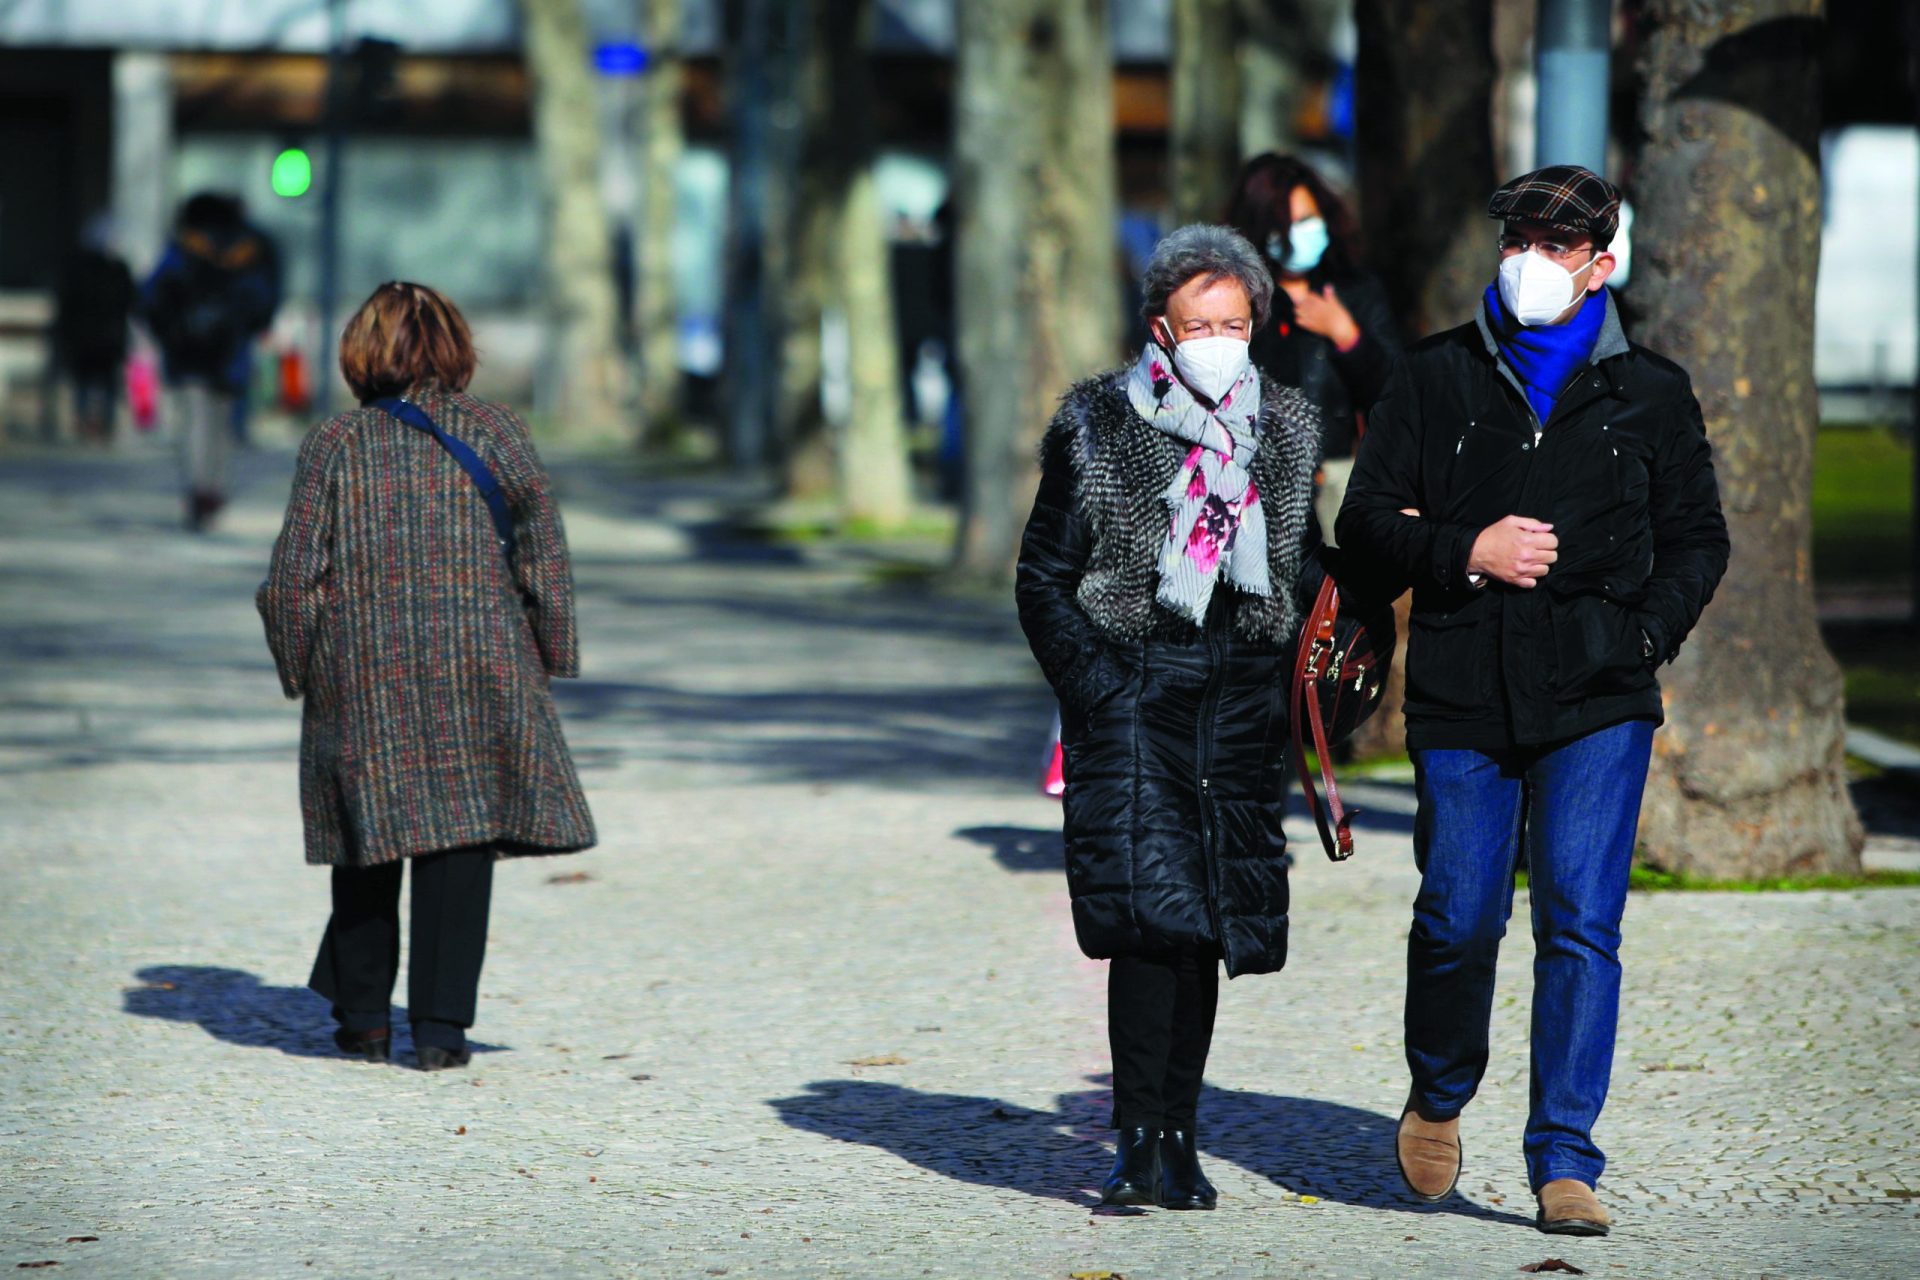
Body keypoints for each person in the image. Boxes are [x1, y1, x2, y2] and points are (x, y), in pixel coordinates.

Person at [1335, 165, 1730, 1235]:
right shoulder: (1433, 378)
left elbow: (1700, 538)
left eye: (1557, 246)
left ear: (1604, 264)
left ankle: (1564, 1156)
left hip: (1599, 693)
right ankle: (1440, 1086)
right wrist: (1465, 547)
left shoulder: (1650, 391)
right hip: (1464, 687)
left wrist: (1643, 634)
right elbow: (1365, 526)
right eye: (1518, 239)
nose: (1531, 263)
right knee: (1459, 911)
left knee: (1579, 924)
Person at [1016, 224, 1325, 1211]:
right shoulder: (1100, 423)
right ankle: (1139, 1138)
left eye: (1235, 322)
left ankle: (1181, 1134)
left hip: (1239, 701)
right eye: (1201, 324)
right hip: (1138, 690)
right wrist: (1101, 689)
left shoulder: (1286, 423)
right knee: (1150, 924)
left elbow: (1302, 560)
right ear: (1161, 326)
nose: (1220, 339)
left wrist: (1334, 648)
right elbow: (1043, 577)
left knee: (1206, 929)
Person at [257, 282, 597, 1070]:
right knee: (459, 840)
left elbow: (292, 577)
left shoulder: (335, 443)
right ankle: (442, 1032)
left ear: (361, 352)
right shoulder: (501, 430)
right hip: (481, 657)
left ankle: (367, 1021)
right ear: (454, 349)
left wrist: (302, 664)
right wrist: (548, 651)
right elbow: (543, 546)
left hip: (363, 659)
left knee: (368, 839)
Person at [1225, 154, 1401, 545]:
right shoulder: (1238, 302)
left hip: (1341, 479)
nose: (1298, 234)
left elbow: (1393, 392)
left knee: (1343, 595)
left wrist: (1347, 335)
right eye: (1285, 226)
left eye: (1307, 220)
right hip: (1257, 483)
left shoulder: (1356, 291)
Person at [140, 193, 279, 530]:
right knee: (221, 424)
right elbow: (261, 299)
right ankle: (215, 488)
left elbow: (149, 294)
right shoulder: (249, 249)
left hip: (187, 352)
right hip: (229, 353)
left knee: (193, 420)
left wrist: (167, 331)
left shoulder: (183, 247)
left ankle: (197, 487)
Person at [54, 215, 136, 445]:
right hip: (106, 335)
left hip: (88, 336)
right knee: (103, 381)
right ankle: (101, 426)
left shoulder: (80, 267)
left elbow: (65, 302)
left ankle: (87, 424)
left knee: (88, 381)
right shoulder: (116, 268)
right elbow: (131, 300)